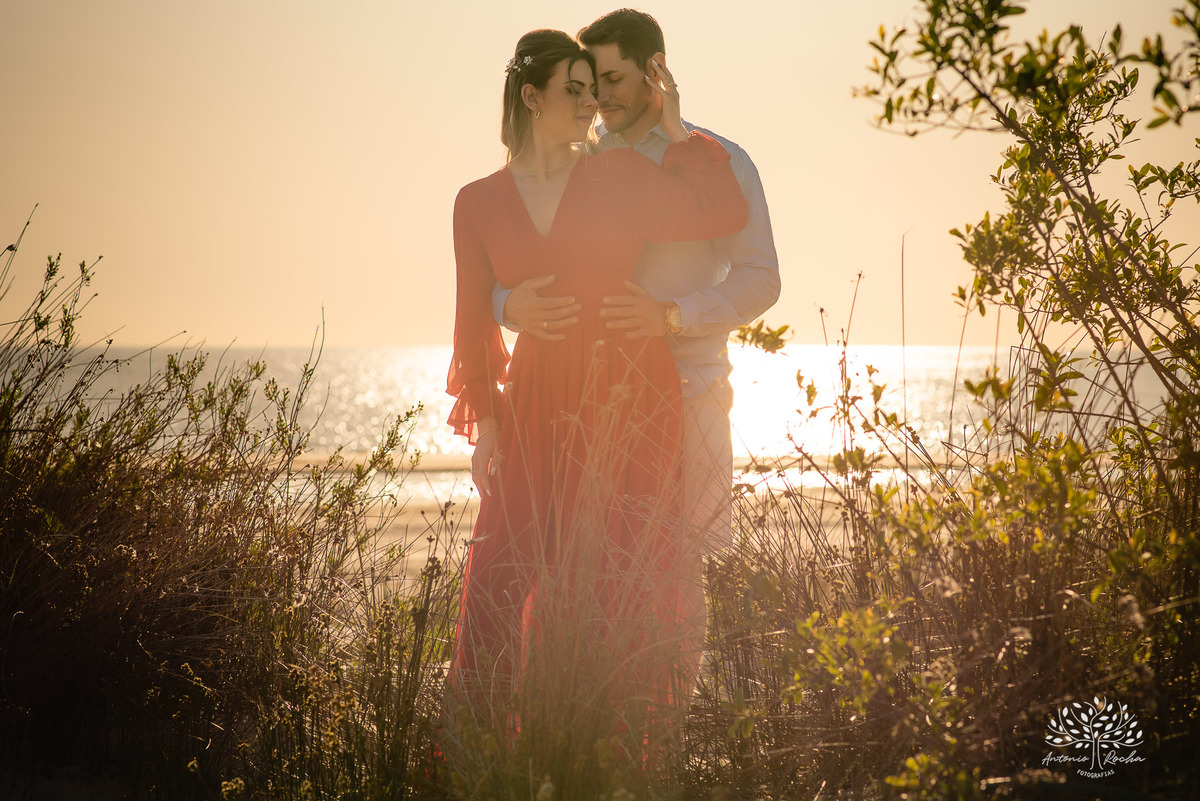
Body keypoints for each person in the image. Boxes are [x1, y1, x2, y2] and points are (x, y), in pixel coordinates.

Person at [446, 29, 747, 720]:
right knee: (499, 575)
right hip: (536, 398)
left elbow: (720, 211)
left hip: (628, 389)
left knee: (620, 580)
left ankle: (624, 754)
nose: (590, 103)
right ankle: (487, 752)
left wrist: (675, 130)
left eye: (594, 88)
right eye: (574, 90)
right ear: (532, 96)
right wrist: (487, 426)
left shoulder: (615, 175)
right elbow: (470, 322)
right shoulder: (477, 201)